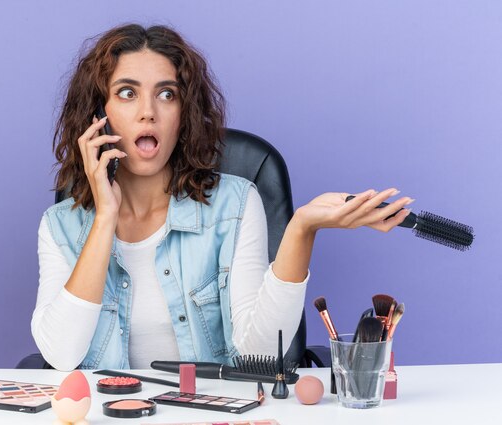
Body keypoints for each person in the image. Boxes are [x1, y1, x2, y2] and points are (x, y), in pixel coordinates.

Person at [31, 24, 413, 371]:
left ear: (185, 113)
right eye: (127, 93)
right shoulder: (60, 225)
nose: (148, 112)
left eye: (167, 94)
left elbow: (260, 357)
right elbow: (61, 355)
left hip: (212, 410)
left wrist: (301, 229)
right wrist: (104, 220)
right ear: (99, 114)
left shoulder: (235, 205)